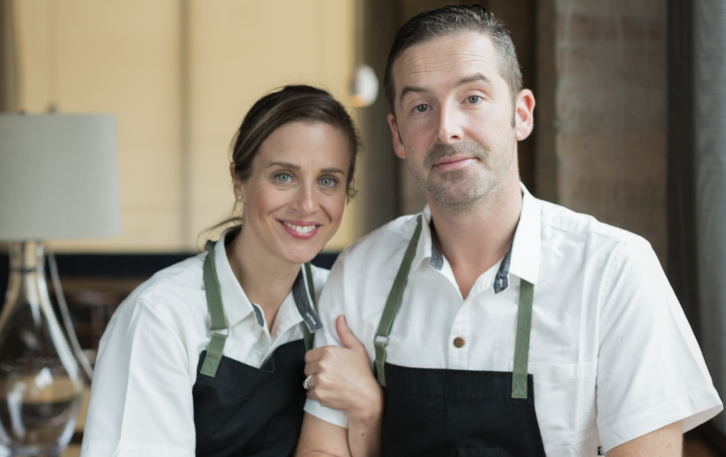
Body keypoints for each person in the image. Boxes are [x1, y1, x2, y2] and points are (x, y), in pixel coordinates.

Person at [296, 5, 723, 457]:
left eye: (473, 98)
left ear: (522, 114)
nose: (447, 129)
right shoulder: (360, 270)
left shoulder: (615, 272)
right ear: (398, 136)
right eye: (421, 107)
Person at [80, 85, 377, 457]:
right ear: (239, 180)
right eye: (283, 176)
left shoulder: (340, 308)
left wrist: (370, 405)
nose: (307, 204)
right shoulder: (161, 316)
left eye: (328, 181)